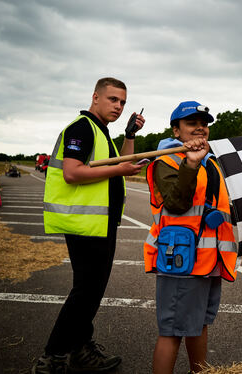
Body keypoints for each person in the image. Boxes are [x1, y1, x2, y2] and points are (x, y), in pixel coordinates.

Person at [34, 77, 146, 373]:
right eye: (113, 99)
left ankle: (80, 348)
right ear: (95, 97)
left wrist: (130, 134)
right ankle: (53, 357)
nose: (119, 106)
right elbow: (72, 172)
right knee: (86, 292)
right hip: (85, 223)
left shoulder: (100, 132)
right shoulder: (82, 128)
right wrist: (120, 169)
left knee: (90, 291)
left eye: (123, 102)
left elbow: (122, 161)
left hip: (99, 223)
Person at [144, 101, 237, 374]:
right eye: (191, 123)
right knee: (172, 331)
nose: (200, 128)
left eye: (204, 123)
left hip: (208, 259)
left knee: (199, 325)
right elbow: (175, 204)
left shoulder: (211, 161)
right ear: (176, 131)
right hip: (180, 257)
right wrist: (190, 164)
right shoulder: (167, 161)